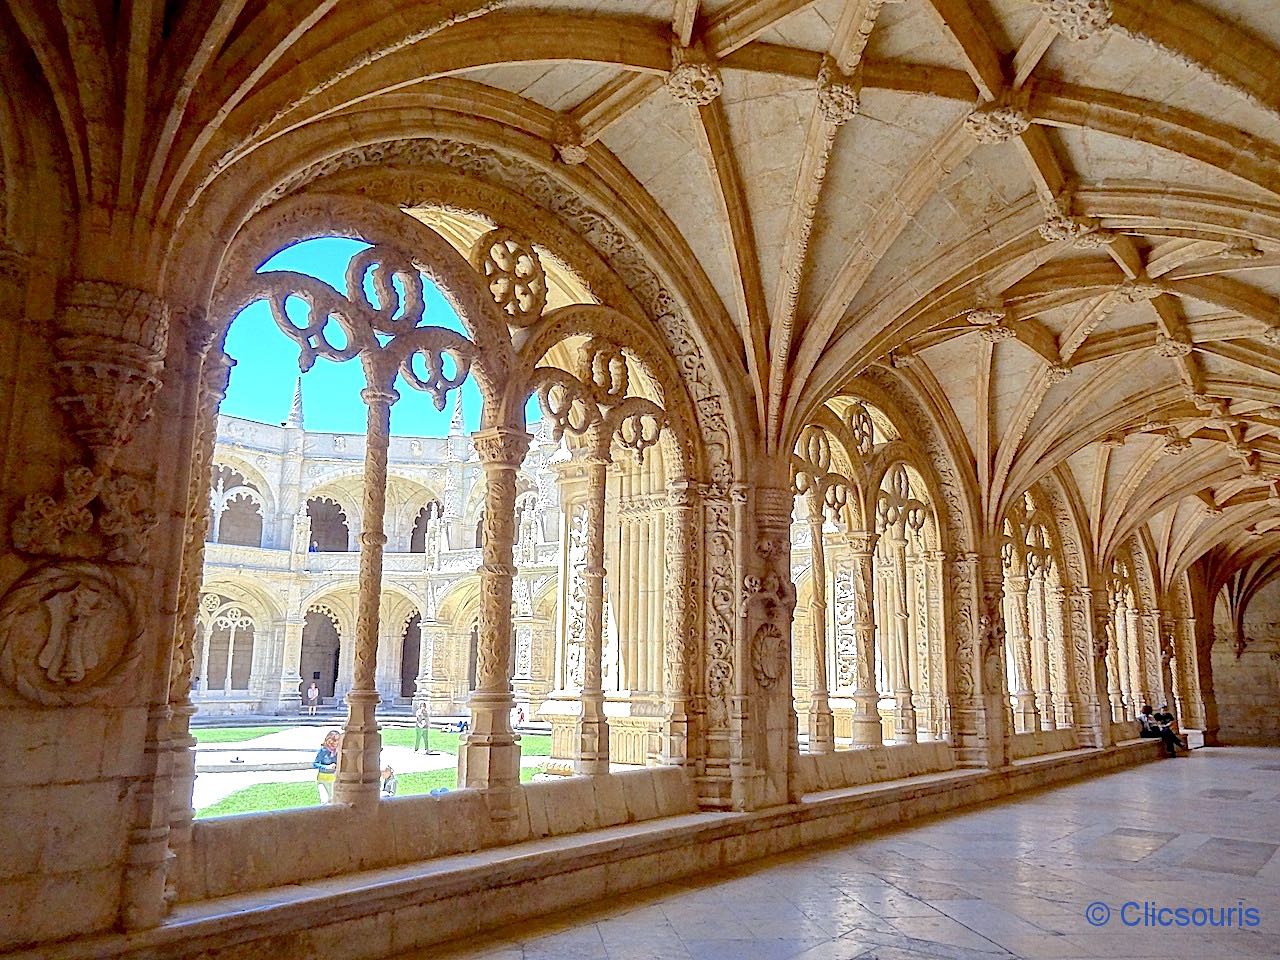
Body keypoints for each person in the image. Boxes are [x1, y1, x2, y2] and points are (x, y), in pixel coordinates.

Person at [313, 730, 339, 802]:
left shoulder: (338, 752)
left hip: (333, 778)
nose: (336, 743)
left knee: (332, 800)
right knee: (324, 800)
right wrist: (326, 767)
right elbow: (315, 764)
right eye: (334, 740)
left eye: (337, 741)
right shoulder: (323, 750)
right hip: (323, 778)